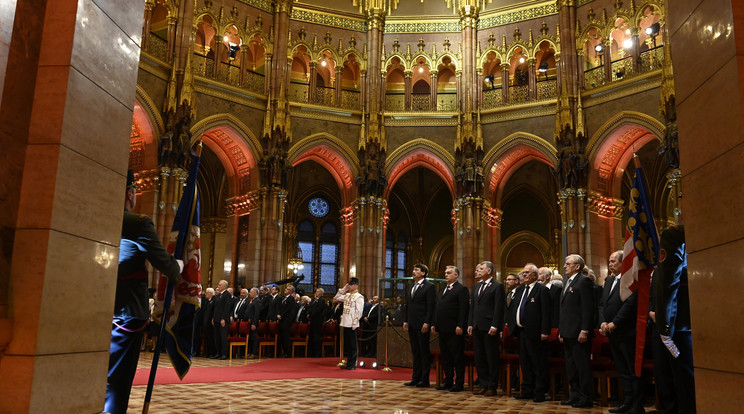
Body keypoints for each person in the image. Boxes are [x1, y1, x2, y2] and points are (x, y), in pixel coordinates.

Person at [105, 170, 183, 414]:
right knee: (117, 378)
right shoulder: (137, 223)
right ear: (130, 193)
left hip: (95, 305)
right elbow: (166, 265)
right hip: (125, 312)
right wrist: (179, 265)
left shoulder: (95, 217)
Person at [651, 225, 696, 414]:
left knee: (683, 379)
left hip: (678, 329)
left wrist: (665, 328)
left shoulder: (675, 235)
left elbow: (669, 283)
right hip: (696, 323)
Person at [599, 250, 643, 414]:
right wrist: (603, 321)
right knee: (622, 369)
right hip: (612, 332)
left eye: (613, 261)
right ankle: (627, 401)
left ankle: (637, 405)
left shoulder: (630, 281)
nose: (609, 264)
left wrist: (615, 322)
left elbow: (631, 303)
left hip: (626, 331)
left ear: (623, 263)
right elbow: (602, 304)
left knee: (632, 369)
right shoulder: (609, 281)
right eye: (609, 261)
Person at [511, 264, 551, 403]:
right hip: (521, 332)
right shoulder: (520, 289)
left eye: (527, 272)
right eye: (523, 272)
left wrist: (545, 331)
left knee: (537, 363)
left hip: (536, 333)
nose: (524, 274)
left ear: (535, 275)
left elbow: (546, 313)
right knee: (525, 363)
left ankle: (539, 392)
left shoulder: (542, 290)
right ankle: (526, 390)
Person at [559, 254, 594, 408]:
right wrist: (561, 330)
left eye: (568, 264)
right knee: (571, 367)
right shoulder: (568, 282)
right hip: (567, 332)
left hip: (579, 333)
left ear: (577, 266)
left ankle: (585, 398)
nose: (565, 266)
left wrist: (585, 330)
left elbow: (588, 308)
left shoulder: (584, 281)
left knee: (582, 367)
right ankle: (574, 395)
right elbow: (565, 310)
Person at [468, 261, 505, 397]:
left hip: (490, 327)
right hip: (477, 326)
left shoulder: (497, 286)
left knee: (491, 357)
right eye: (477, 268)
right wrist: (470, 324)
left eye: (481, 269)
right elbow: (472, 308)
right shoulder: (476, 286)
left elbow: (498, 308)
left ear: (489, 271)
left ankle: (492, 386)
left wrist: (495, 325)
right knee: (480, 357)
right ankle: (483, 384)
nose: (477, 271)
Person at [431, 265, 469, 392]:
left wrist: (460, 325)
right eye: (445, 273)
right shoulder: (442, 290)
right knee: (445, 357)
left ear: (456, 275)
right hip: (443, 328)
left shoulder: (461, 289)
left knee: (457, 357)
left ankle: (458, 383)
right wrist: (434, 324)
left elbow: (463, 309)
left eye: (449, 273)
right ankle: (448, 380)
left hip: (455, 329)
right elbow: (438, 308)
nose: (446, 274)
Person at [403, 263, 436, 388]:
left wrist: (427, 322)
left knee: (423, 352)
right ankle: (415, 378)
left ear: (423, 273)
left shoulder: (429, 287)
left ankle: (425, 379)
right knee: (415, 351)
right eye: (413, 269)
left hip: (422, 324)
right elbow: (408, 305)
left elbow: (430, 306)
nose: (413, 271)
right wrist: (406, 321)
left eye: (416, 269)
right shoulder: (411, 286)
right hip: (412, 323)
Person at [334, 277, 364, 369]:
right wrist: (343, 289)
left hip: (352, 323)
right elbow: (336, 298)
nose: (349, 286)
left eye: (351, 285)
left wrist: (355, 322)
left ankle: (353, 363)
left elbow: (359, 311)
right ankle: (349, 362)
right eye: (349, 284)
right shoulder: (347, 295)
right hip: (345, 322)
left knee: (353, 344)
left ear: (356, 285)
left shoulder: (359, 297)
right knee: (348, 344)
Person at [211, 280, 231, 359]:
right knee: (217, 337)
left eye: (220, 285)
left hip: (223, 320)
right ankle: (218, 353)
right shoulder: (218, 295)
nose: (218, 287)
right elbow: (216, 308)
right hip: (216, 319)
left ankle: (225, 354)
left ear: (224, 286)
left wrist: (223, 318)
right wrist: (213, 318)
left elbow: (227, 308)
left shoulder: (227, 295)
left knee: (223, 337)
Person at [307, 288, 327, 357]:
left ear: (321, 293)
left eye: (318, 291)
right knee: (311, 337)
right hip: (312, 321)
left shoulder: (322, 301)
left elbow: (318, 310)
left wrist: (311, 314)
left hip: (317, 321)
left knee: (317, 337)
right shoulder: (313, 300)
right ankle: (311, 352)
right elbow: (309, 308)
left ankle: (317, 353)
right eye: (316, 291)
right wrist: (308, 314)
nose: (316, 292)